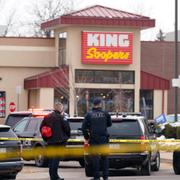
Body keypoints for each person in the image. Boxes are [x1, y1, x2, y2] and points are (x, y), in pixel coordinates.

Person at [82, 98, 112, 180]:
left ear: (94, 105)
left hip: (94, 139)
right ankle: (105, 177)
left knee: (95, 159)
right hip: (104, 139)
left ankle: (96, 177)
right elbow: (109, 124)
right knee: (105, 158)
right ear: (100, 104)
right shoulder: (105, 113)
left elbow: (83, 127)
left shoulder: (89, 114)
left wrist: (87, 137)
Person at [40, 102, 71, 180]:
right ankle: (55, 177)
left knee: (51, 160)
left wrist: (46, 139)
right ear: (60, 108)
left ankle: (53, 176)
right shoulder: (61, 117)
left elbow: (41, 128)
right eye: (61, 108)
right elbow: (67, 128)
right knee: (56, 160)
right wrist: (67, 137)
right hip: (59, 142)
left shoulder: (47, 117)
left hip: (50, 142)